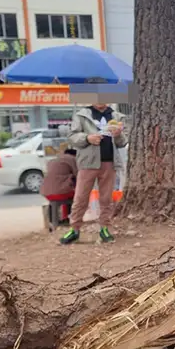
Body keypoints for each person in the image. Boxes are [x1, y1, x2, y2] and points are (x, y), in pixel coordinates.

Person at [61, 104, 127, 244]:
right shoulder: (82, 115)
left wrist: (118, 135)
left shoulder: (116, 116)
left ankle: (105, 228)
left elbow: (122, 142)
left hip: (109, 162)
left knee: (106, 198)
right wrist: (87, 138)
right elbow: (72, 137)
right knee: (81, 197)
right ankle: (74, 229)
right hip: (88, 163)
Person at [40, 148, 77, 224]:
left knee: (56, 200)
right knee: (76, 196)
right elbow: (78, 174)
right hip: (62, 193)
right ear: (75, 155)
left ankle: (52, 221)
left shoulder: (53, 160)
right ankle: (68, 218)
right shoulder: (72, 159)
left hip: (46, 193)